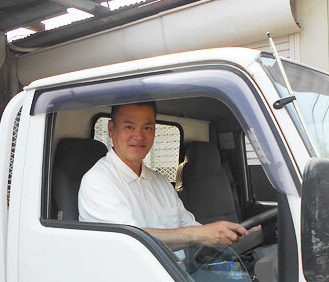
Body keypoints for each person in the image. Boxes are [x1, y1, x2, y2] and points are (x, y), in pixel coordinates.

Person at [78, 102, 248, 246]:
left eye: (147, 127)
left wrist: (236, 235)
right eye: (129, 127)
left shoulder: (160, 181)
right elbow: (130, 239)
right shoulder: (98, 181)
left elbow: (188, 225)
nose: (139, 136)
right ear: (111, 129)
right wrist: (201, 234)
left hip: (178, 273)